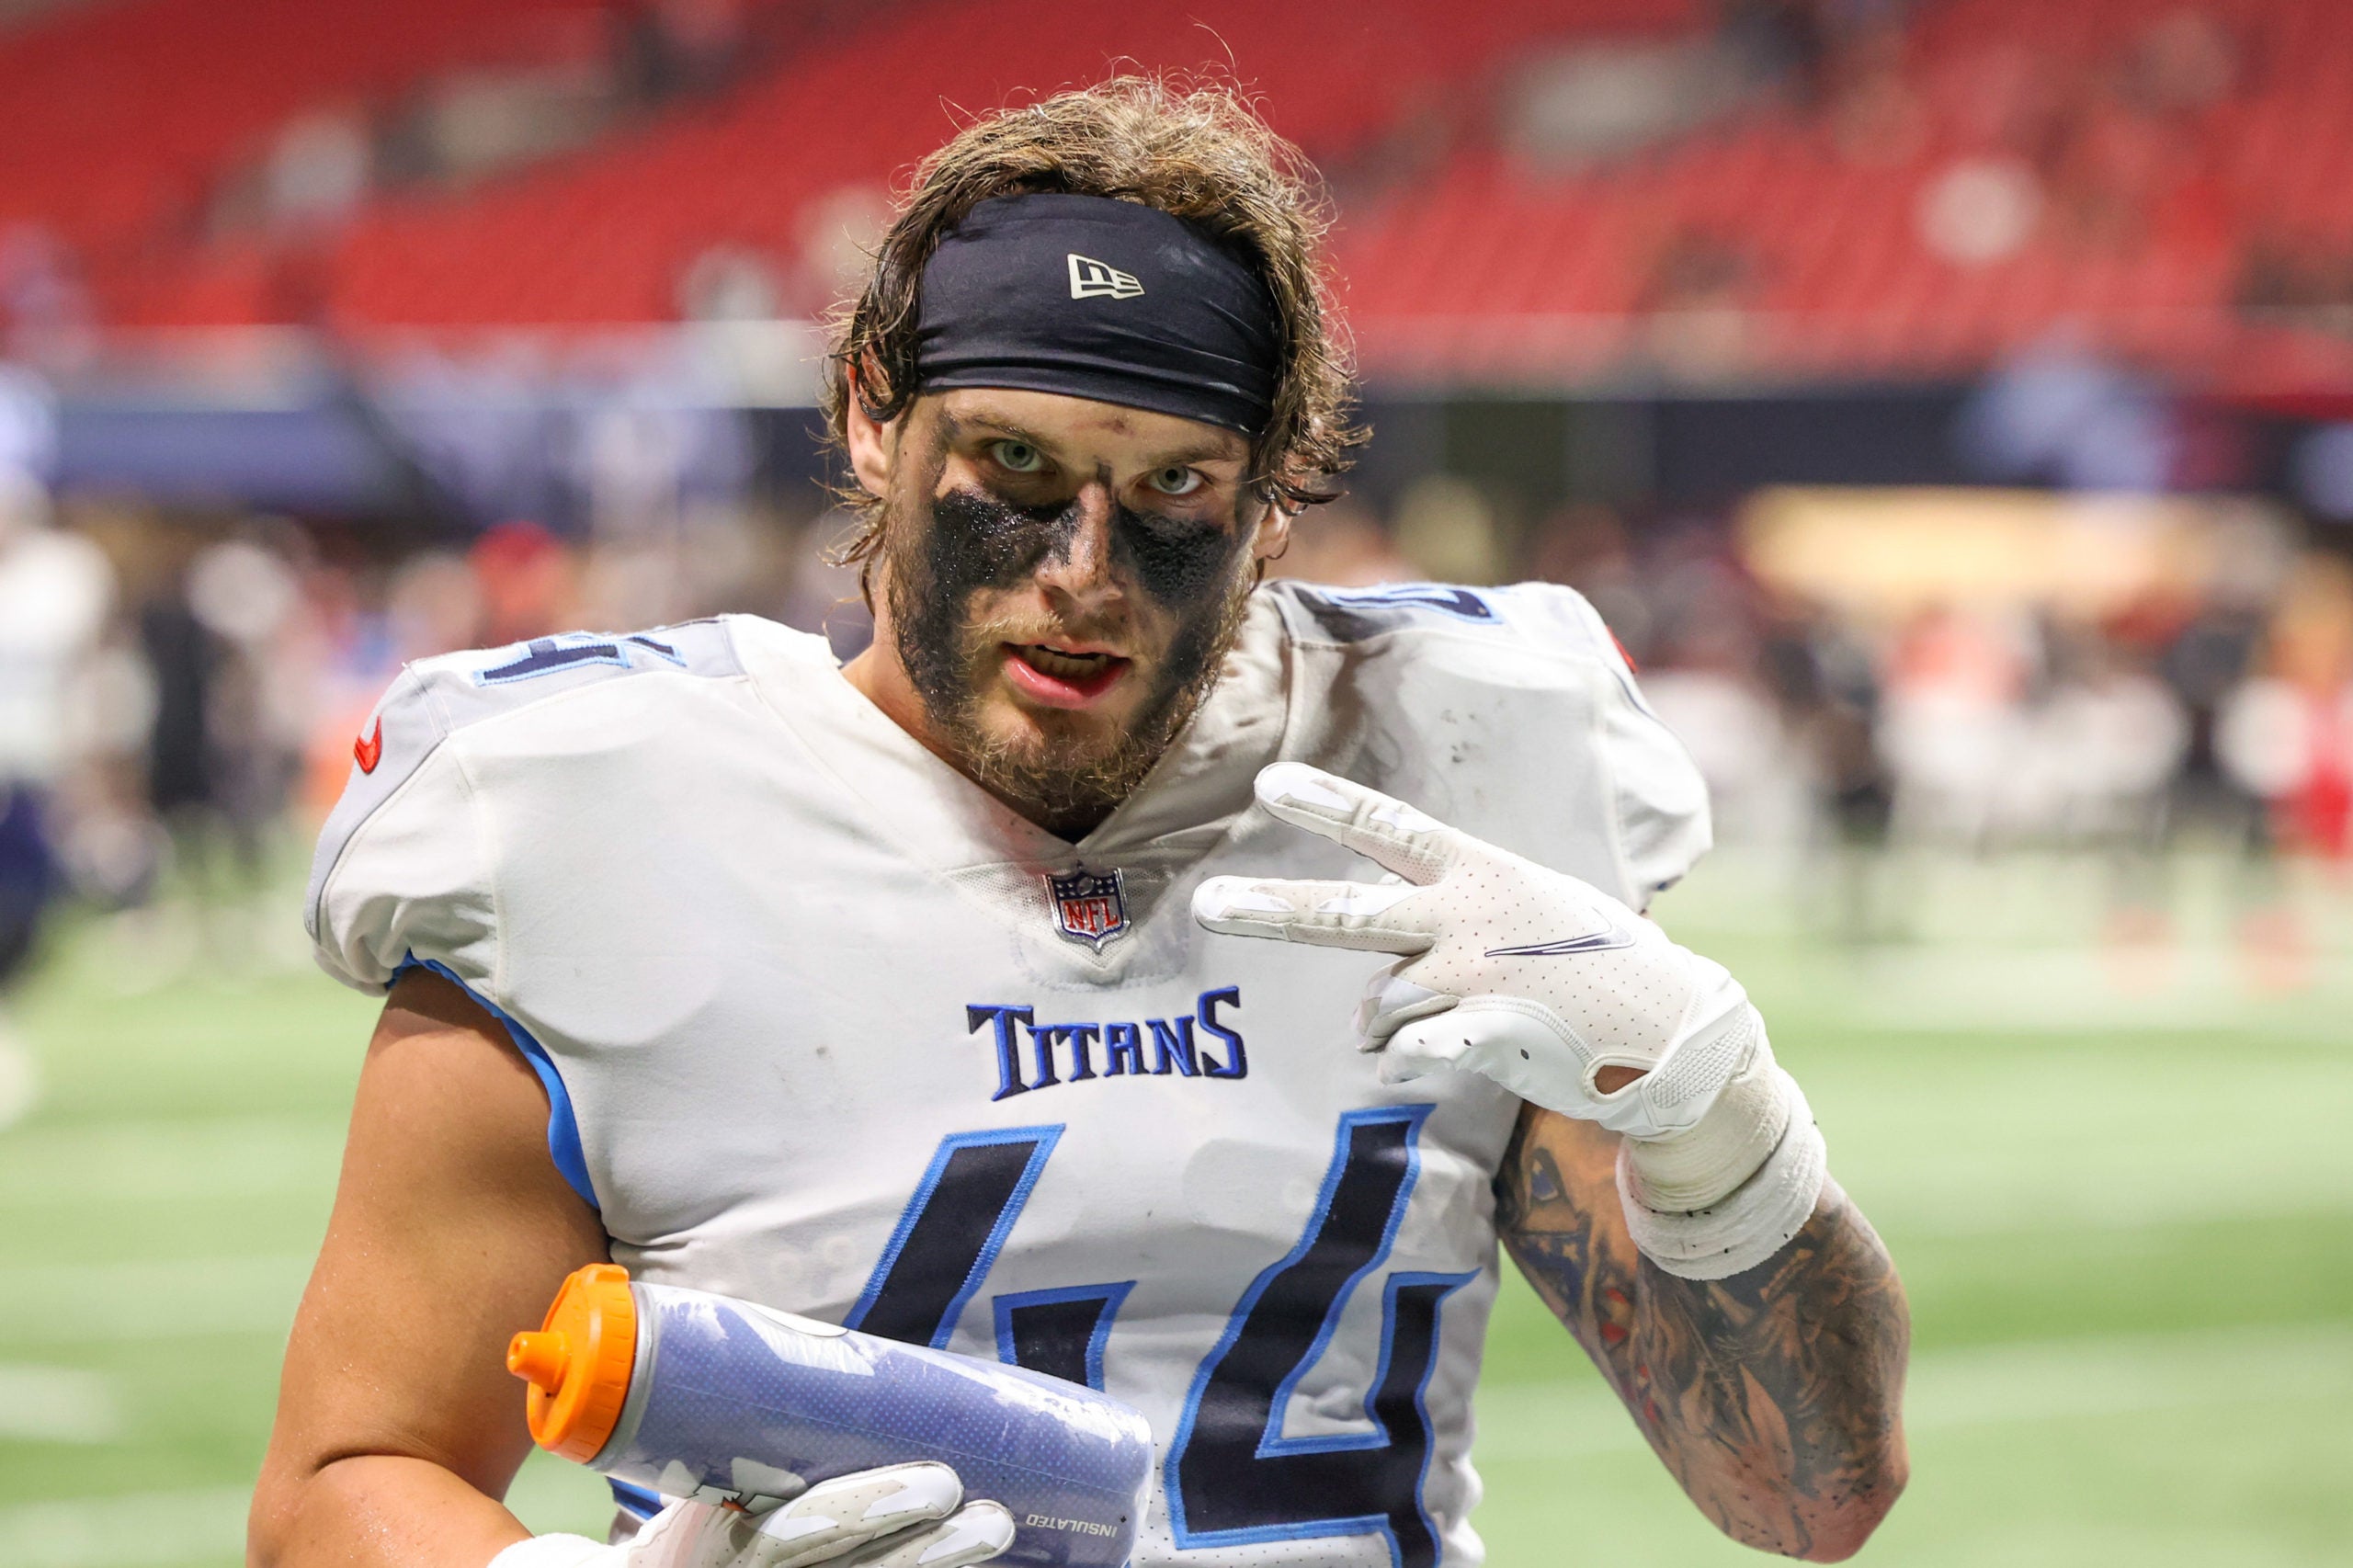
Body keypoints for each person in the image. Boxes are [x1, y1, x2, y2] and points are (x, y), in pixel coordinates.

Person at [251, 78, 1908, 1568]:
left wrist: (1723, 1123)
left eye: (1175, 485)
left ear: (1276, 488)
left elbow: (1807, 1492)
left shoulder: (1450, 756)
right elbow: (345, 1477)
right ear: (873, 417)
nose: (1084, 572)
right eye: (1015, 463)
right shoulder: (594, 809)